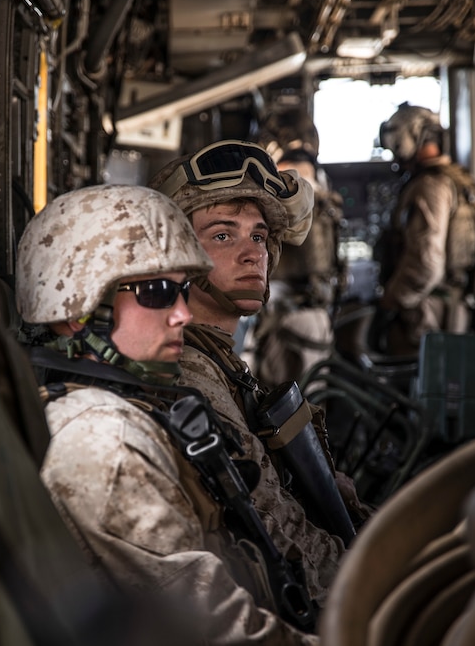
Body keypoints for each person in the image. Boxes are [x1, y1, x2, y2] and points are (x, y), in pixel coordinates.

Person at [14, 183, 331, 646]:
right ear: (77, 306)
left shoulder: (128, 410)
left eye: (183, 290)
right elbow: (209, 624)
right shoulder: (103, 440)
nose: (183, 313)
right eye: (159, 293)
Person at [149, 140, 369, 560]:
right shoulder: (189, 378)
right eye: (222, 234)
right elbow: (280, 545)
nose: (253, 254)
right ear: (175, 253)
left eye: (259, 236)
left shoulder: (218, 363)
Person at [374, 102, 475, 357]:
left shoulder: (429, 186)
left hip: (426, 312)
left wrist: (390, 303)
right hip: (454, 305)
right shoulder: (460, 180)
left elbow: (425, 264)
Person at [243, 143, 346, 388]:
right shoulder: (329, 206)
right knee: (313, 405)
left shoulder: (286, 205)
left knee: (274, 404)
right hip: (320, 318)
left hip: (285, 318)